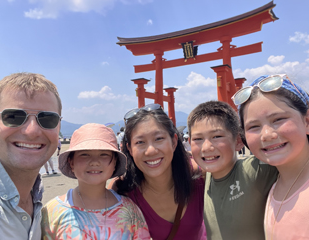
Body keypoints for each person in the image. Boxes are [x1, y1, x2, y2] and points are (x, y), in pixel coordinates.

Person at [41, 123, 151, 239]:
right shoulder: (52, 212)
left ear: (115, 163)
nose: (94, 162)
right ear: (71, 162)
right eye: (85, 154)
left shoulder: (129, 210)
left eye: (104, 154)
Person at [188, 100, 278, 240]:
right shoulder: (204, 178)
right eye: (198, 139)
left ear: (238, 141)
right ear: (189, 143)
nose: (206, 147)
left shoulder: (253, 170)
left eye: (217, 136)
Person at [234, 74, 309, 239]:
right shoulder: (274, 186)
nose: (267, 135)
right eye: (254, 126)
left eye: (279, 119)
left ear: (307, 122)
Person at [115, 103, 206, 240]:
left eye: (159, 139)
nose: (151, 150)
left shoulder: (200, 178)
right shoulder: (122, 191)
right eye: (140, 142)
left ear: (174, 142)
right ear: (129, 149)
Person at [0, 72, 62, 239]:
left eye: (47, 119)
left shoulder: (36, 194)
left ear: (58, 128)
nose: (32, 131)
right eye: (14, 117)